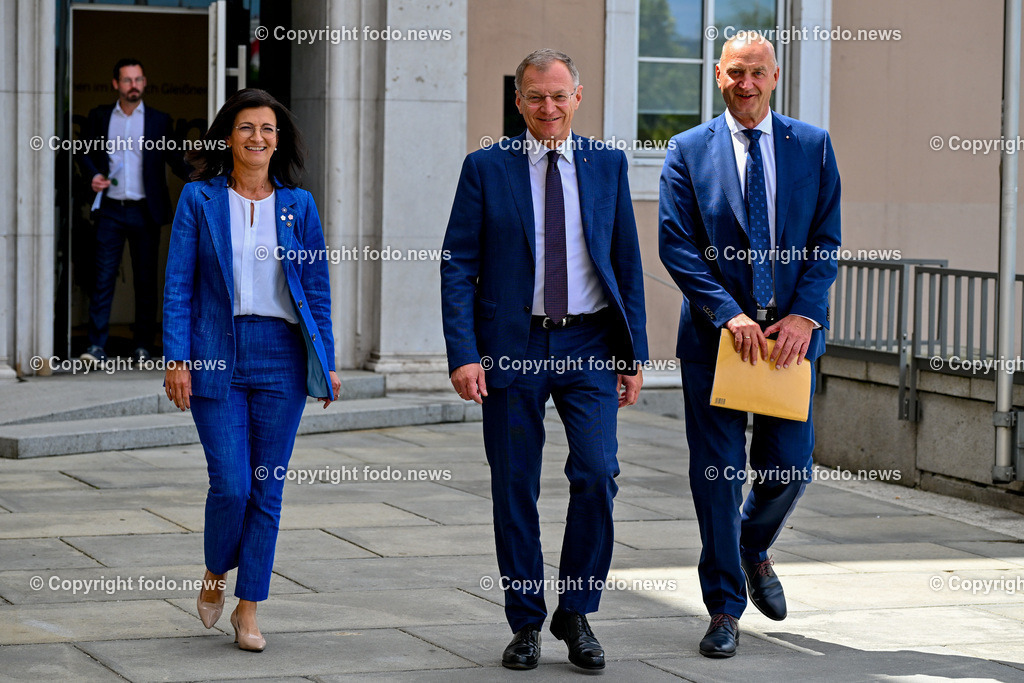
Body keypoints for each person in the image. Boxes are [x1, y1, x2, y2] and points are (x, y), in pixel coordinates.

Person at [440, 49, 648, 671]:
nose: (548, 108)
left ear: (577, 97)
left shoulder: (607, 165)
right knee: (515, 487)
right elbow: (458, 267)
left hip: (589, 345)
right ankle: (526, 621)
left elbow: (627, 266)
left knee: (596, 472)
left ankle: (577, 611)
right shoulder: (486, 167)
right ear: (519, 101)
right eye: (536, 97)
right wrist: (463, 354)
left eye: (559, 96)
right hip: (512, 346)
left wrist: (632, 354)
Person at [658, 35, 841, 658]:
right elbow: (675, 244)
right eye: (736, 72)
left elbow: (825, 242)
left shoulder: (812, 147)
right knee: (717, 476)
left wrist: (804, 317)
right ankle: (724, 609)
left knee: (790, 467)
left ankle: (751, 544)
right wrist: (727, 312)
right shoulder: (686, 150)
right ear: (718, 75)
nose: (747, 83)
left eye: (757, 72)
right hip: (718, 341)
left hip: (789, 341)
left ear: (774, 75)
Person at [163, 88, 341, 652]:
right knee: (232, 485)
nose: (257, 138)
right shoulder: (199, 199)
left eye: (267, 129)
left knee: (267, 488)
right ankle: (216, 573)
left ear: (278, 140)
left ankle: (249, 607)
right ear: (228, 137)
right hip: (217, 350)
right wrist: (177, 358)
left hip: (282, 356)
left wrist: (327, 363)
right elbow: (178, 284)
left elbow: (316, 289)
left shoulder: (300, 205)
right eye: (245, 128)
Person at [79, 58, 191, 363]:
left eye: (138, 80)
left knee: (146, 281)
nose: (134, 86)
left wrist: (204, 178)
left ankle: (143, 344)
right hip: (111, 209)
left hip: (145, 211)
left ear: (144, 82)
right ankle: (96, 346)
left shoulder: (159, 120)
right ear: (116, 84)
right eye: (127, 80)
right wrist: (92, 176)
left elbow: (174, 159)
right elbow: (85, 153)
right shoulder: (100, 117)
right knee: (102, 279)